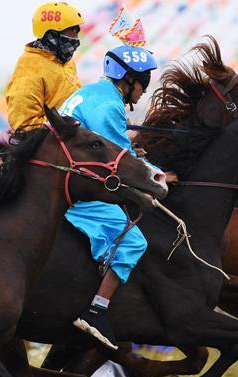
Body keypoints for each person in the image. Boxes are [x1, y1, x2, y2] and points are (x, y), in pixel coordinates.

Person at [58, 45, 164, 349]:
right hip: (76, 188)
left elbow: (118, 151)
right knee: (134, 241)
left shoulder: (92, 93)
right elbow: (120, 160)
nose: (145, 89)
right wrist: (158, 174)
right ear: (127, 78)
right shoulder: (109, 106)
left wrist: (135, 155)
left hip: (66, 178)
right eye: (143, 80)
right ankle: (96, 311)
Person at [6, 1, 83, 129]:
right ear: (52, 35)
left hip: (77, 136)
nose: (76, 37)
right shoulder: (29, 67)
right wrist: (65, 124)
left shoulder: (67, 61)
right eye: (73, 30)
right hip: (57, 142)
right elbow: (23, 124)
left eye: (78, 30)